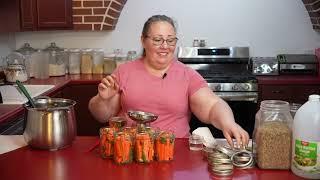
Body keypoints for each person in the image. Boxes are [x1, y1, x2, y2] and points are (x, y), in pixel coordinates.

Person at [88, 15, 249, 147]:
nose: (165, 46)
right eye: (157, 40)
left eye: (171, 40)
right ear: (143, 41)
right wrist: (103, 99)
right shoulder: (124, 71)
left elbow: (212, 105)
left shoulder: (187, 75)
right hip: (130, 150)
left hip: (174, 152)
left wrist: (228, 123)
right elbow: (102, 116)